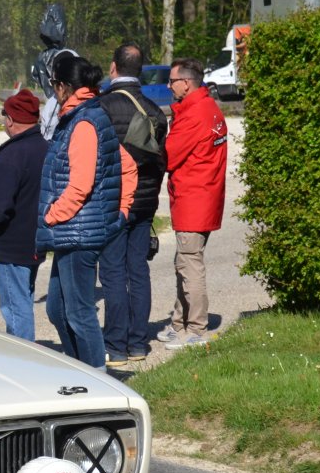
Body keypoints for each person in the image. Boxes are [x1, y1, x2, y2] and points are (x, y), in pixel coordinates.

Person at [33, 53, 126, 370]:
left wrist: (50, 216)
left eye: (53, 86)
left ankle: (96, 378)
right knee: (57, 309)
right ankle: (79, 369)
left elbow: (80, 186)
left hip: (78, 231)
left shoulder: (85, 123)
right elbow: (125, 164)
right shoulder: (85, 115)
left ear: (61, 87)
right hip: (72, 231)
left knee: (79, 311)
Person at [98, 43, 169, 368]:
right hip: (145, 204)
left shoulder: (103, 107)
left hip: (114, 203)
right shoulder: (155, 111)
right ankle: (139, 342)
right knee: (138, 271)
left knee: (113, 274)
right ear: (140, 70)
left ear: (113, 67)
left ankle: (116, 346)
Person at [160, 56, 228, 349]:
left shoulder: (194, 115)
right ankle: (179, 323)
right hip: (205, 197)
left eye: (172, 81)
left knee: (190, 264)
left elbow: (169, 156)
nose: (168, 85)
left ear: (186, 84)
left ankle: (196, 329)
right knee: (184, 262)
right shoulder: (210, 108)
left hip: (193, 199)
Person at [0, 88, 48, 340]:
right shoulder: (44, 149)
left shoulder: (12, 155)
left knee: (16, 310)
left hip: (10, 245)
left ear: (11, 120)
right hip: (34, 240)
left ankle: (23, 363)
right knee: (23, 301)